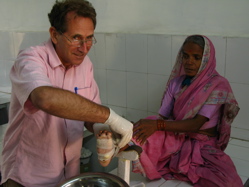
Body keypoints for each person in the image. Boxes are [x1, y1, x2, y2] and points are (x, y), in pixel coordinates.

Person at [0, 0, 132, 186]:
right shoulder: (31, 59)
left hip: (68, 175)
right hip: (26, 177)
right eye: (76, 38)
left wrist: (103, 130)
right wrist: (111, 117)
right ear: (54, 35)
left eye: (89, 38)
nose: (84, 48)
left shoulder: (85, 66)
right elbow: (45, 98)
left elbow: (89, 114)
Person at [96, 35, 243, 186]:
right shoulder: (176, 83)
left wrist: (157, 125)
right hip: (176, 137)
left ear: (206, 59)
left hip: (202, 143)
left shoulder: (217, 85)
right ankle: (122, 139)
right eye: (185, 56)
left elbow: (196, 125)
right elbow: (162, 117)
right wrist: (144, 126)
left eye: (196, 57)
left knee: (228, 181)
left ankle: (122, 141)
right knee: (151, 122)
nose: (189, 62)